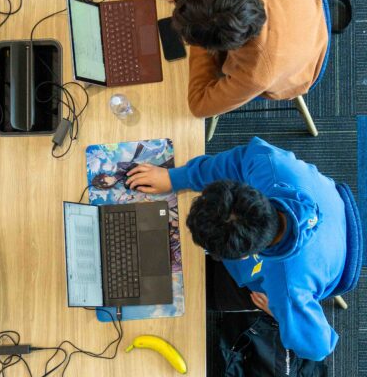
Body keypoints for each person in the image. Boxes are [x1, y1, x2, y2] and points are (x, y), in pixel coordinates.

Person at [126, 137, 346, 361]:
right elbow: (237, 162)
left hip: (327, 266)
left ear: (242, 256)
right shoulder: (267, 164)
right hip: (333, 211)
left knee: (196, 294)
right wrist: (175, 178)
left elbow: (318, 347)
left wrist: (279, 313)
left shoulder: (287, 289)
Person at [151, 0, 328, 118]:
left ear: (220, 48)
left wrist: (199, 39)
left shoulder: (258, 73)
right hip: (303, 4)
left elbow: (199, 105)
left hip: (304, 67)